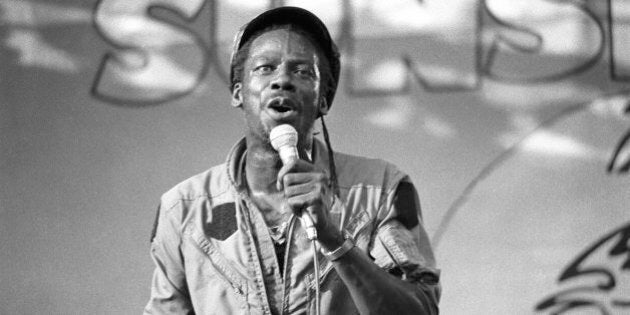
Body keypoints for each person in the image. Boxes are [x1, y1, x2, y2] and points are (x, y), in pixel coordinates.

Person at [144, 6, 440, 315]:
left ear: (323, 100)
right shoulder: (183, 209)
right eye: (265, 68)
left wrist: (334, 240)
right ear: (238, 93)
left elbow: (419, 311)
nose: (282, 80)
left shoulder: (381, 190)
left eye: (302, 71)